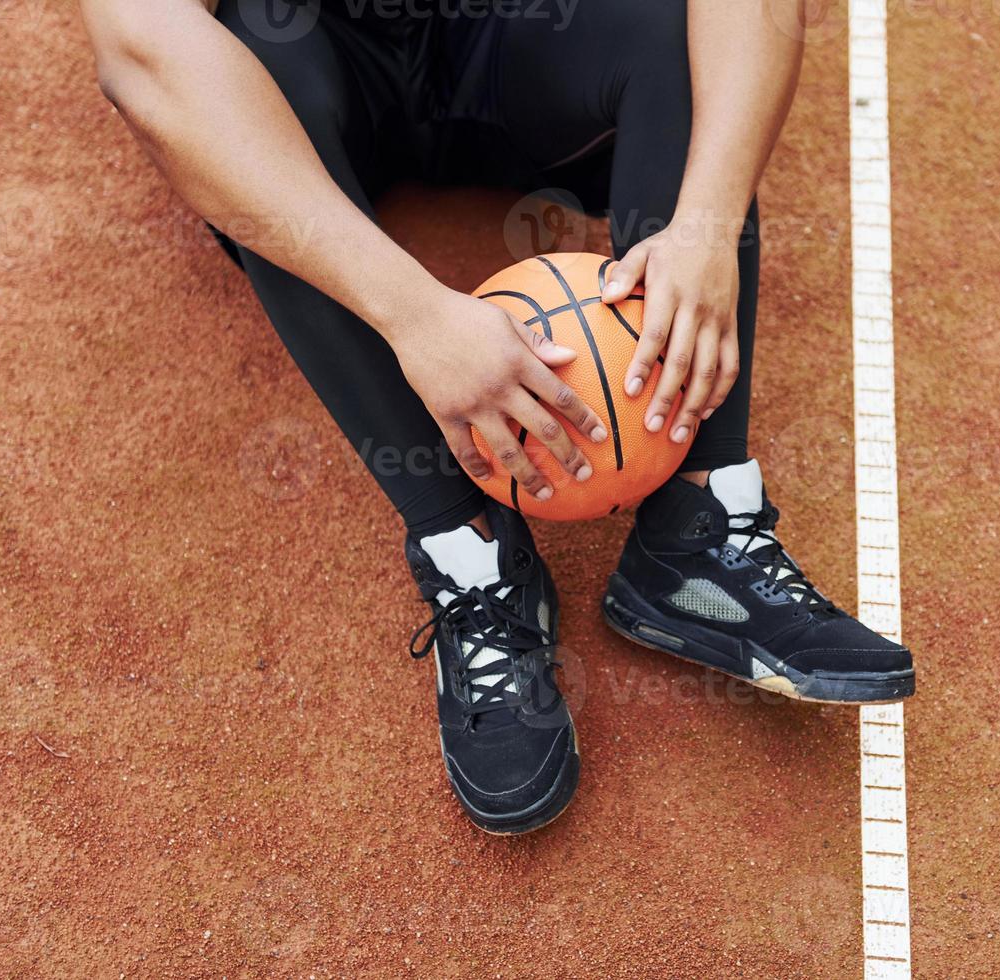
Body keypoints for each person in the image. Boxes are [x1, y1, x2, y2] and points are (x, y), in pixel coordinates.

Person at [81, 0, 915, 835]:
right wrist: (414, 315)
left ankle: (698, 528)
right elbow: (141, 46)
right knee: (233, 93)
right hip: (315, 70)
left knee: (674, 30)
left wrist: (706, 223)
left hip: (516, 39)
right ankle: (471, 556)